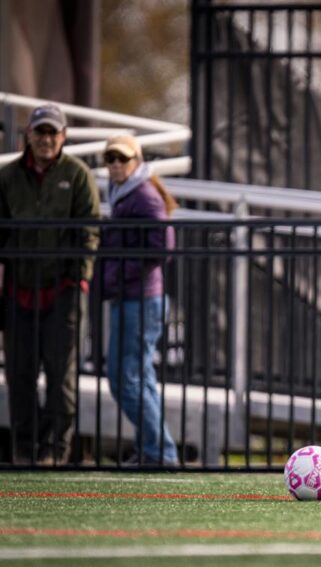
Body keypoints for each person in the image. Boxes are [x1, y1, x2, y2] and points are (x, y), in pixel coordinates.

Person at [0, 103, 101, 465]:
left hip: (63, 290)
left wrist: (81, 280)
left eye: (52, 133)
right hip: (17, 291)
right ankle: (24, 452)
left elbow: (90, 230)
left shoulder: (77, 175)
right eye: (39, 132)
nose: (45, 139)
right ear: (28, 135)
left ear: (63, 137)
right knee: (20, 376)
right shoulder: (8, 176)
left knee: (62, 378)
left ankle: (55, 453)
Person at [100, 134, 179, 466]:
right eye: (111, 158)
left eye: (123, 158)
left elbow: (162, 246)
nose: (117, 164)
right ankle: (155, 451)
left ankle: (160, 450)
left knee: (123, 378)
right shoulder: (125, 191)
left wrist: (118, 276)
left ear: (137, 161)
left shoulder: (143, 195)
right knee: (138, 376)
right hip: (134, 298)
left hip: (140, 299)